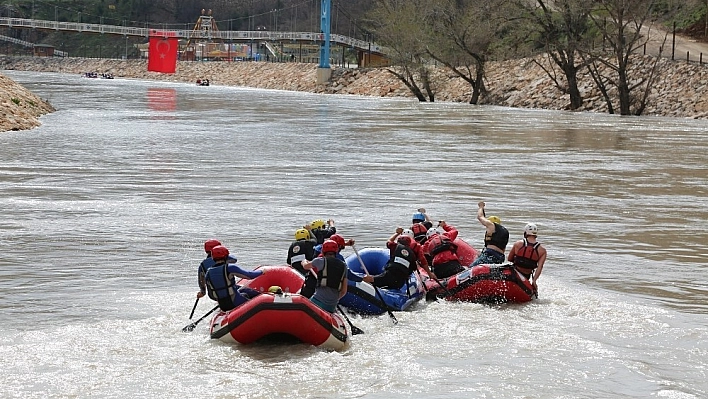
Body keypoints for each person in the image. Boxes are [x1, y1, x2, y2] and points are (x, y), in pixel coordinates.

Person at [203, 245, 266, 311]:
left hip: (223, 306)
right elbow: (249, 275)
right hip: (235, 302)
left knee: (243, 290)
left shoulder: (208, 272)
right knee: (247, 293)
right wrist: (261, 271)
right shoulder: (230, 268)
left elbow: (211, 295)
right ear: (226, 256)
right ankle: (267, 299)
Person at [301, 240, 348, 313]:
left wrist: (304, 261)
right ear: (336, 251)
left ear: (322, 251)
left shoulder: (319, 261)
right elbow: (344, 291)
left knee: (303, 309)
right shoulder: (344, 266)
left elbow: (305, 266)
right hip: (332, 305)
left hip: (318, 301)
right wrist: (333, 300)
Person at [507, 223, 547, 293]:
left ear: (525, 232)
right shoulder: (542, 250)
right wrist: (534, 281)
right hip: (526, 276)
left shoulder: (518, 244)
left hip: (514, 273)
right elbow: (540, 267)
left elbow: (509, 258)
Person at [471, 201, 509, 266]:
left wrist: (481, 207)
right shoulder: (504, 231)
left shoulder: (491, 225)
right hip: (499, 258)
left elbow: (480, 217)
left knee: (471, 269)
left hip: (490, 255)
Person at [286, 228, 318, 297]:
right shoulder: (308, 243)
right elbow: (315, 240)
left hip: (295, 272)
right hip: (306, 271)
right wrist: (309, 230)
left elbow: (288, 261)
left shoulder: (292, 245)